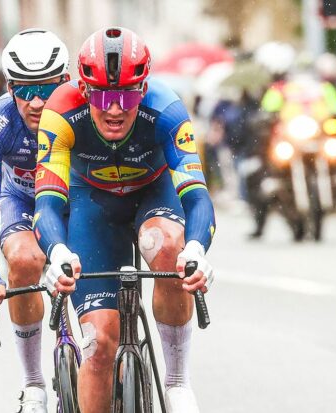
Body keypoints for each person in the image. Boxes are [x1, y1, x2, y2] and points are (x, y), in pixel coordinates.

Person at [34, 27, 215, 413]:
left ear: (144, 89)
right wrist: (57, 251)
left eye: (127, 96)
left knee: (168, 248)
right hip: (92, 205)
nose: (115, 109)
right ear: (83, 90)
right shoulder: (60, 112)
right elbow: (47, 202)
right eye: (101, 96)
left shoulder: (166, 110)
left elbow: (197, 198)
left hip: (153, 194)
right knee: (99, 344)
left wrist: (197, 249)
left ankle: (177, 380)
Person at [0, 29, 69, 412]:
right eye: (25, 90)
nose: (37, 101)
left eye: (46, 88)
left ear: (65, 81)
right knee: (24, 262)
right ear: (9, 87)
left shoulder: (82, 109)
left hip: (75, 200)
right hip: (22, 200)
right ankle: (33, 384)